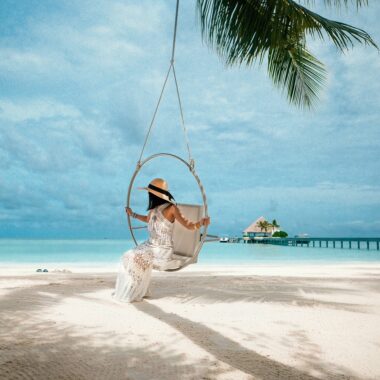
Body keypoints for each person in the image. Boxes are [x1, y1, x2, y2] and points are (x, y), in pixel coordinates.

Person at [113, 178, 210, 303]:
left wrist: (201, 223)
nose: (149, 195)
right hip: (150, 245)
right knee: (126, 257)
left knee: (134, 258)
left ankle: (136, 290)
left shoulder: (171, 208)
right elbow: (148, 220)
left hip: (162, 250)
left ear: (154, 194)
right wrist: (133, 214)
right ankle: (138, 288)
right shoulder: (154, 210)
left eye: (150, 193)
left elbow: (188, 225)